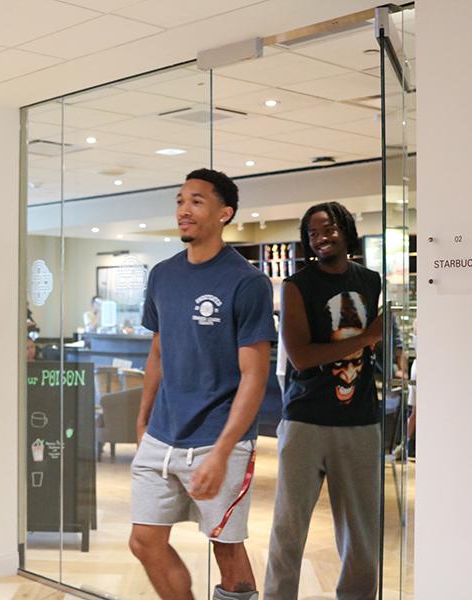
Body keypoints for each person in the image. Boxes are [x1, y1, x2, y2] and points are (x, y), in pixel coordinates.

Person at [129, 168, 277, 600]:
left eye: (196, 201)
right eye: (179, 201)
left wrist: (226, 449)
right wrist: (143, 420)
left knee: (226, 549)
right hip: (162, 434)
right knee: (143, 541)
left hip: (217, 438)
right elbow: (158, 353)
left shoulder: (247, 282)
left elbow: (255, 374)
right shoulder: (162, 275)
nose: (183, 210)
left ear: (225, 213)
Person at [264, 201, 383, 600]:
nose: (321, 237)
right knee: (288, 528)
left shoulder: (371, 280)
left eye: (328, 227)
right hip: (306, 420)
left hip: (361, 419)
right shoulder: (297, 286)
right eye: (312, 232)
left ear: (347, 229)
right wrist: (368, 336)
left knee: (362, 531)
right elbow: (302, 356)